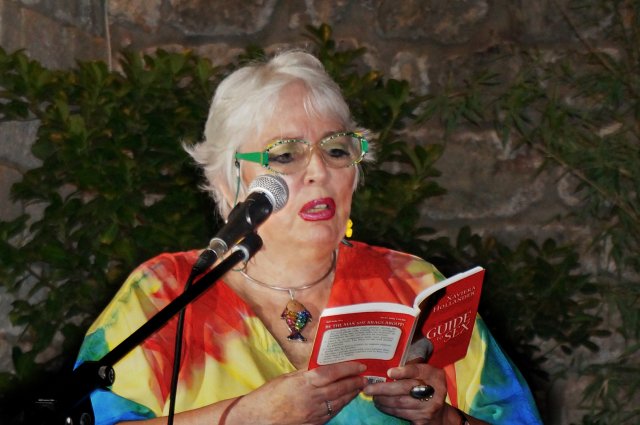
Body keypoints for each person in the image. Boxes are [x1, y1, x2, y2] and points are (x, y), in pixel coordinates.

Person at [74, 49, 543, 425]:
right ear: (227, 180)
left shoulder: (414, 285)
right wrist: (246, 418)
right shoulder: (165, 293)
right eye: (285, 155)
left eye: (336, 150)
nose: (319, 170)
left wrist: (441, 418)